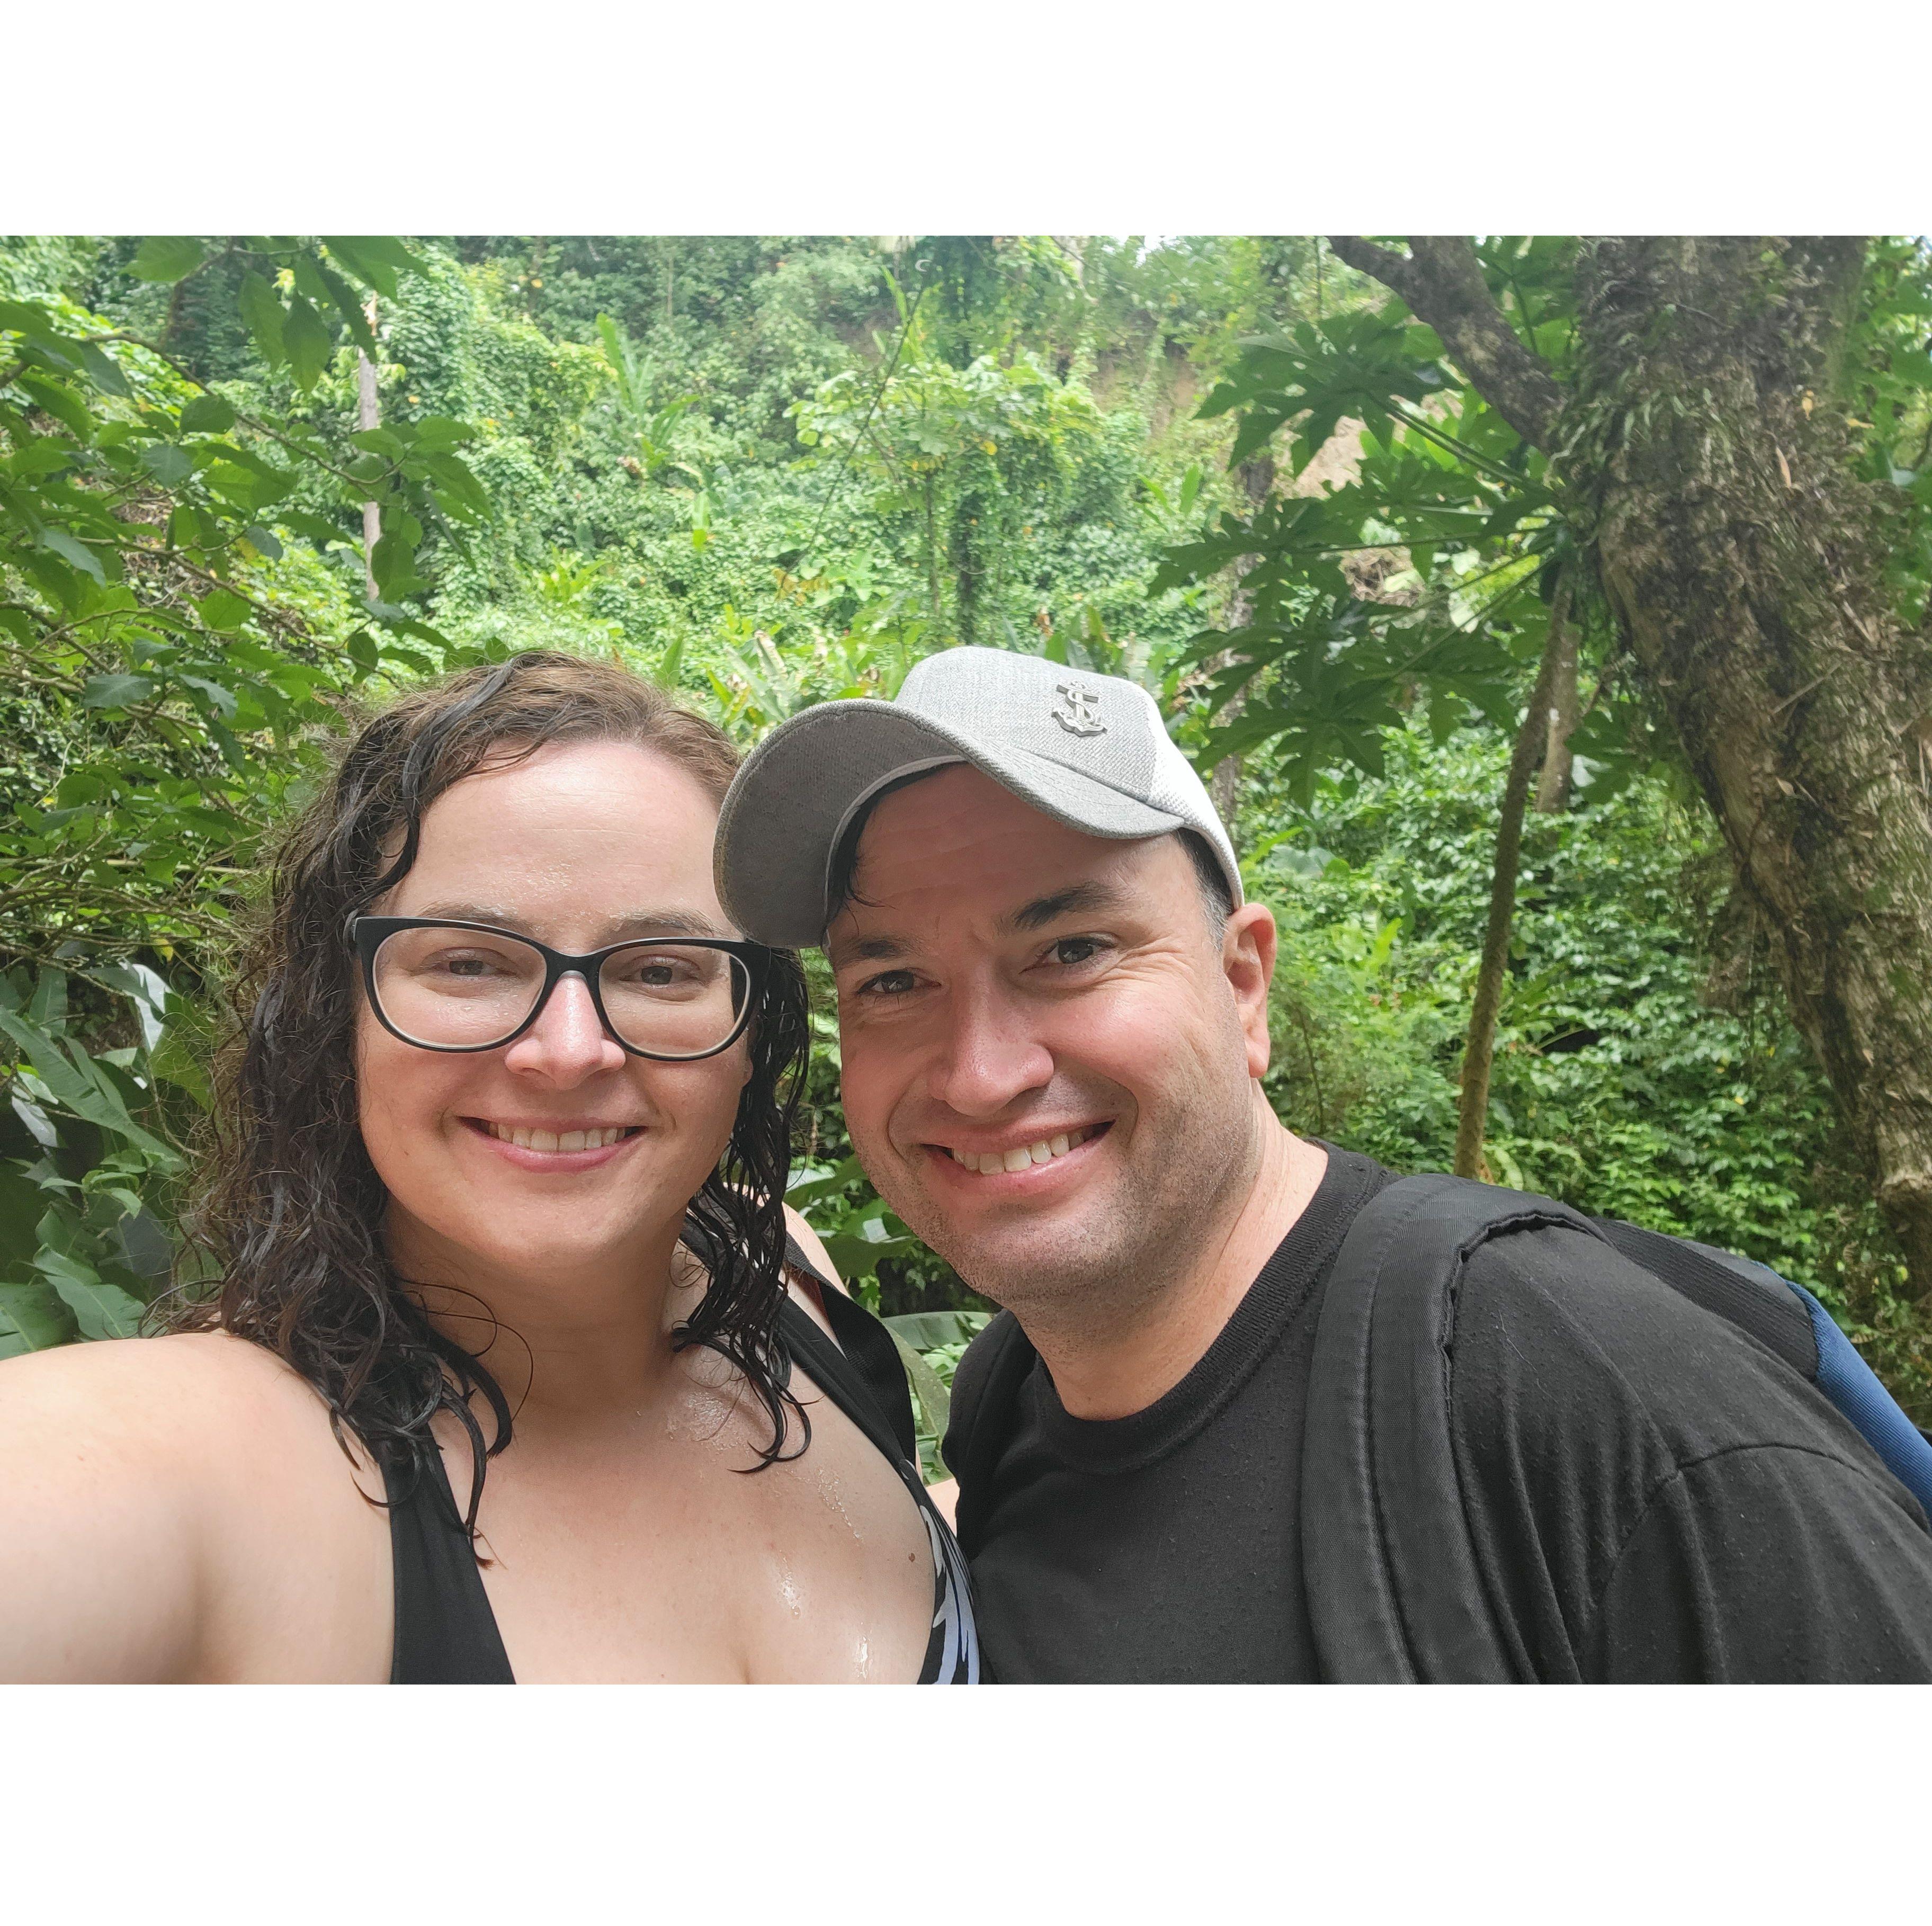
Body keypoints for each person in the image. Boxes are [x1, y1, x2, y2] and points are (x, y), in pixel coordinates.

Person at [716, 643, 1932, 1682]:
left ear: (1244, 987)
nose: (980, 1074)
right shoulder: (1012, 1397)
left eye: (1073, 948)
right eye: (893, 980)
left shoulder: (1583, 1395)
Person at [0, 651, 976, 1683]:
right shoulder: (201, 1464)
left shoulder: (784, 1267)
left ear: (750, 1028)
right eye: (468, 960)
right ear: (343, 1013)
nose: (566, 1052)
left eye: (659, 969)